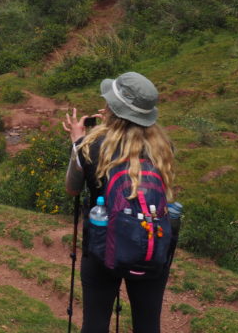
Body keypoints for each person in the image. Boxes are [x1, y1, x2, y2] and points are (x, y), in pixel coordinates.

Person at [63, 72, 175, 333]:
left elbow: (72, 189)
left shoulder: (89, 146)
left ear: (113, 110)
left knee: (95, 323)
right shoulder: (163, 146)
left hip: (103, 247)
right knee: (148, 325)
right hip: (151, 243)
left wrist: (77, 141)